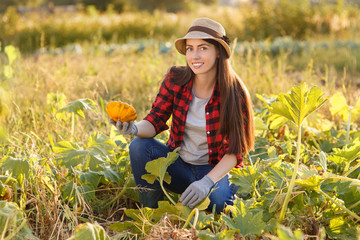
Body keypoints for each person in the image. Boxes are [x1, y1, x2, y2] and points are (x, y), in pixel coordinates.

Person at [110, 17, 255, 213]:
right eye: (190, 48)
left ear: (219, 52)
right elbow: (155, 120)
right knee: (139, 145)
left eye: (203, 48)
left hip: (213, 171)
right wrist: (133, 128)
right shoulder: (176, 79)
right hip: (178, 166)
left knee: (220, 202)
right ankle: (151, 213)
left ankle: (201, 196)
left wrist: (206, 182)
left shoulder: (233, 92)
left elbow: (235, 152)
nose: (195, 55)